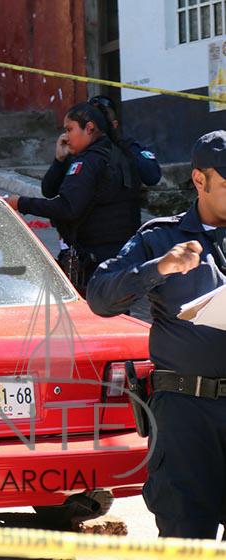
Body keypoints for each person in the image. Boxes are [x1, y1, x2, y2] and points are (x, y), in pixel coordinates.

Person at [86, 130, 226, 539]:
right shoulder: (160, 239)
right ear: (200, 180)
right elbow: (100, 297)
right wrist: (158, 269)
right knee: (186, 537)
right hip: (186, 412)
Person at [6, 102, 139, 293]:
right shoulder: (118, 154)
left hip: (96, 258)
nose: (66, 137)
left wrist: (20, 203)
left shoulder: (90, 161)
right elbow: (49, 190)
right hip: (122, 255)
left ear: (89, 128)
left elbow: (67, 208)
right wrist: (60, 160)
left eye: (70, 129)